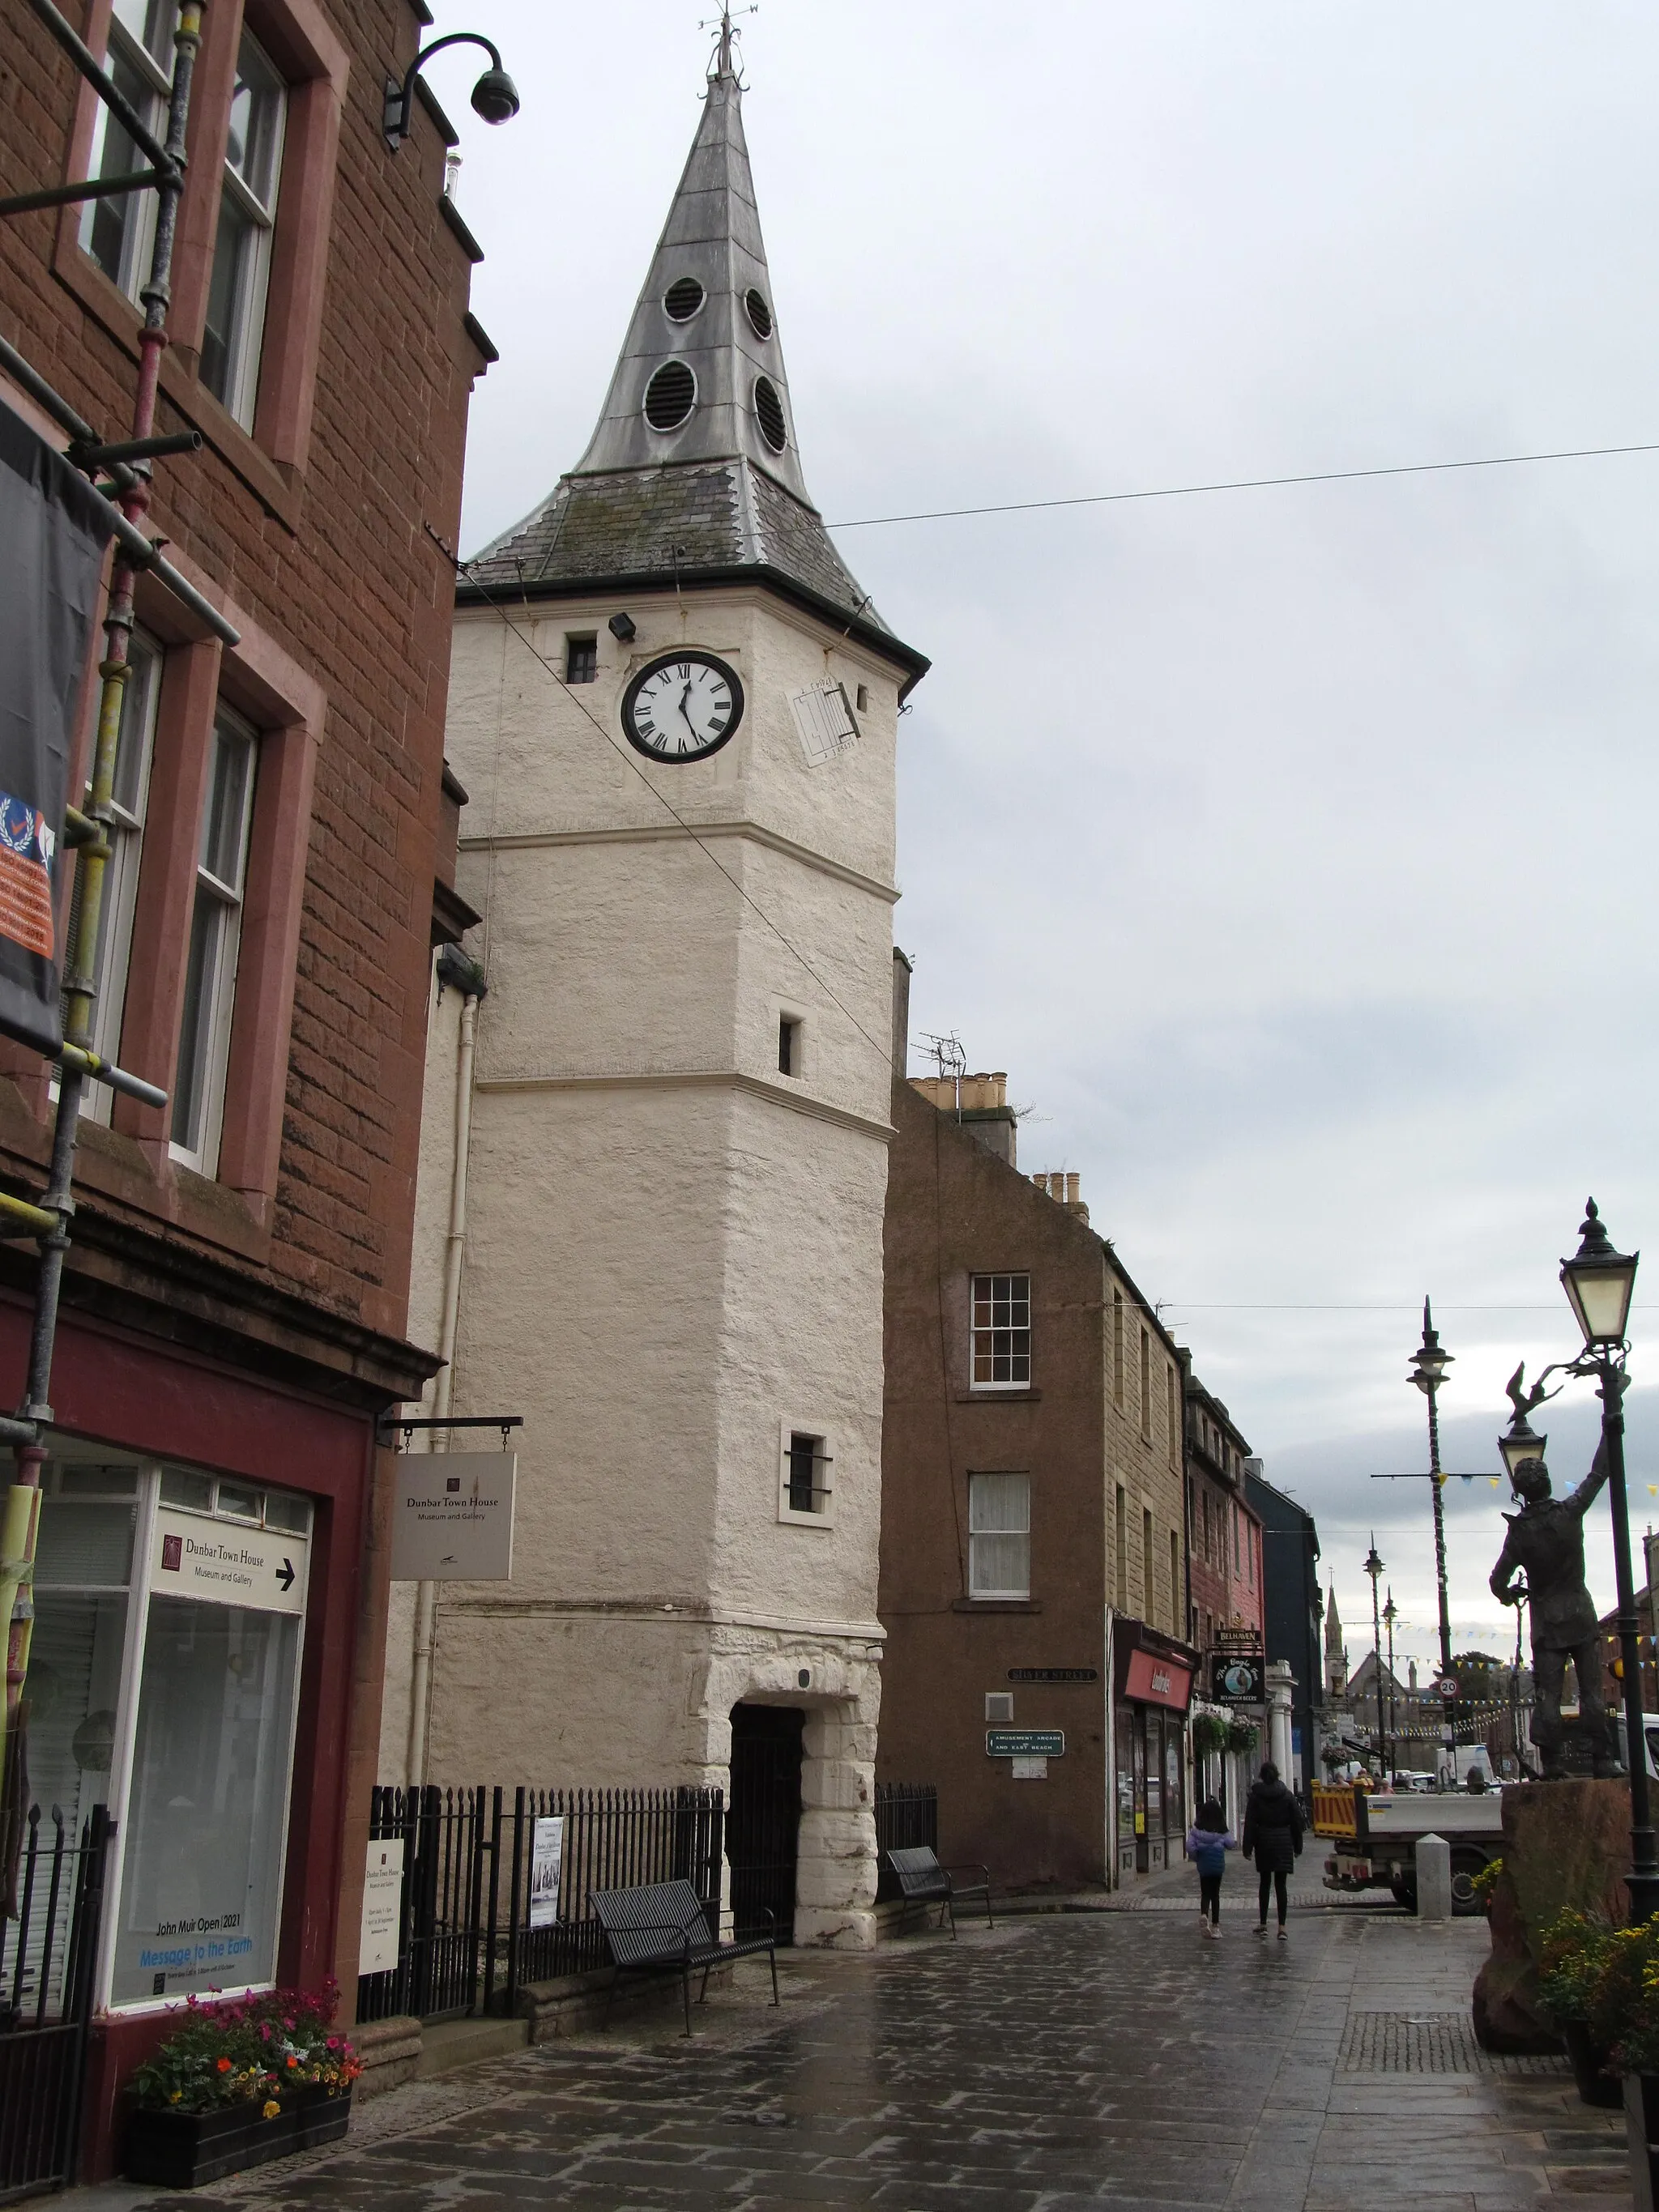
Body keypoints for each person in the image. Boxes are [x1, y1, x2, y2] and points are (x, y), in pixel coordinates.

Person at [1242, 1759, 1303, 1938]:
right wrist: (1298, 1846)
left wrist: (1248, 1847)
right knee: (1281, 1885)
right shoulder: (1287, 1795)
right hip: (1283, 1842)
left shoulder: (1256, 1795)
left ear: (1262, 1776)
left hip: (1264, 1842)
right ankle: (1282, 1927)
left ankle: (1263, 1924)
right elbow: (1297, 1821)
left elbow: (1251, 1823)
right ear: (1277, 1774)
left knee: (1265, 1884)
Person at [1185, 1796, 1237, 1940]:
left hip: (1204, 1866)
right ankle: (1215, 1927)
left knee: (1205, 1893)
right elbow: (1231, 1844)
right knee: (1215, 1895)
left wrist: (1197, 1856)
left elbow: (1190, 1846)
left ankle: (1204, 1915)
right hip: (1217, 1867)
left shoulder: (1196, 1831)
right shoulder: (1221, 1831)